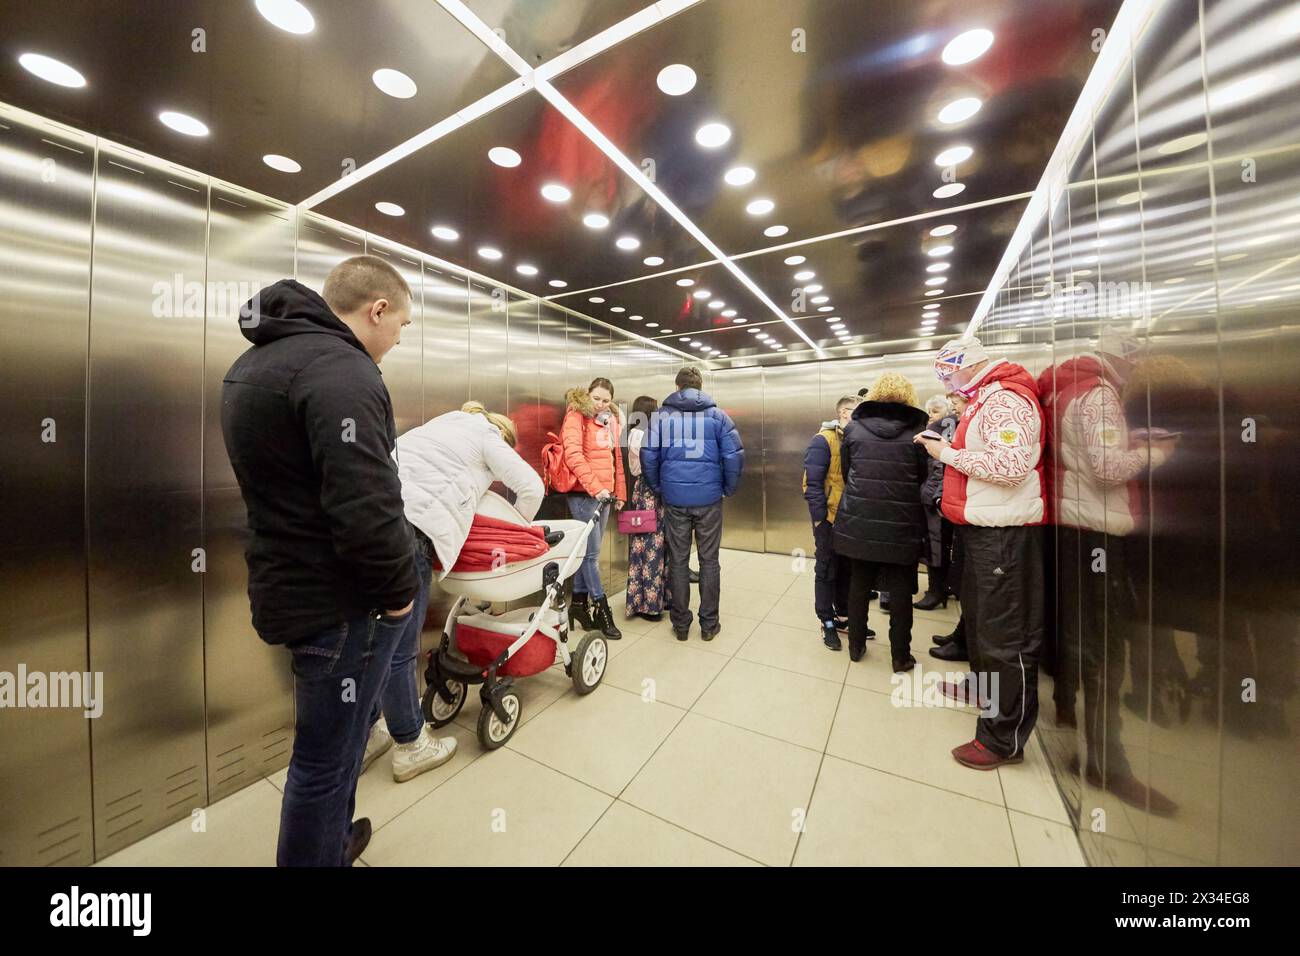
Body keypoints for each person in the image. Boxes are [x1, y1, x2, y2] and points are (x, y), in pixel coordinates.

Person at [222, 256, 419, 866]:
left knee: (335, 748)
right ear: (377, 310)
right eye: (401, 325)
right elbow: (366, 504)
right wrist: (399, 593)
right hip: (342, 603)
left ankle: (334, 843)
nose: (396, 340)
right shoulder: (343, 371)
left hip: (289, 585)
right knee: (325, 761)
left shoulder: (253, 363)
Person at [362, 400, 545, 780]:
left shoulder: (434, 428)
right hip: (410, 533)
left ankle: (365, 735)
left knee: (371, 640)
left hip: (370, 521)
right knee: (399, 647)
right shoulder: (487, 436)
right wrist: (516, 530)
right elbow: (532, 486)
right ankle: (411, 744)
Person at [916, 335, 1047, 771]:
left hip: (1004, 535)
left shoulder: (1006, 400)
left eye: (948, 373)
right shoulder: (983, 399)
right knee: (980, 622)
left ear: (969, 365)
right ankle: (982, 687)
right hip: (983, 528)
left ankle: (1002, 739)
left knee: (1004, 636)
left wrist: (945, 452)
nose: (947, 383)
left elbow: (1010, 468)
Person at [833, 372, 929, 669]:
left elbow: (848, 474)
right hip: (901, 522)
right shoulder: (917, 432)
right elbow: (921, 477)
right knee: (901, 591)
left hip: (860, 519)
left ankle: (856, 647)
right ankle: (900, 657)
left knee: (859, 584)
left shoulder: (854, 429)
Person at [642, 365, 744, 642]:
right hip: (709, 499)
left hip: (675, 499)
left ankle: (681, 625)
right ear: (699, 388)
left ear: (677, 388)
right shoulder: (718, 416)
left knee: (678, 560)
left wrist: (659, 487)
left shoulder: (661, 417)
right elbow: (734, 456)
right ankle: (709, 625)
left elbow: (648, 455)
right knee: (709, 560)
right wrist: (728, 488)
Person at [802, 395, 871, 650]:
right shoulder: (823, 440)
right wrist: (820, 519)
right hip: (829, 518)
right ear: (843, 413)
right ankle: (826, 621)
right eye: (856, 413)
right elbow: (812, 484)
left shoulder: (856, 439)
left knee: (847, 570)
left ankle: (843, 616)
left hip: (852, 519)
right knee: (826, 570)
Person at [562, 377, 626, 639]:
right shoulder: (576, 415)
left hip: (605, 495)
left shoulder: (610, 421)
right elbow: (573, 454)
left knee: (589, 554)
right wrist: (595, 487)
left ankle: (577, 605)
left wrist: (617, 492)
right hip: (584, 496)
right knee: (591, 556)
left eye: (606, 400)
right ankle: (602, 610)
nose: (600, 404)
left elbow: (615, 458)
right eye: (596, 398)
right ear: (587, 395)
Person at [624, 396, 673, 621]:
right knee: (649, 548)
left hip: (651, 492)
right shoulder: (639, 435)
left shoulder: (644, 433)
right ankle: (648, 604)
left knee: (656, 546)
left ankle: (660, 599)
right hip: (648, 492)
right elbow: (651, 463)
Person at [915, 394, 959, 610]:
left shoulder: (943, 430)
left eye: (935, 411)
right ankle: (945, 586)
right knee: (942, 544)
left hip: (937, 500)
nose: (931, 415)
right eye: (930, 411)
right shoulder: (946, 429)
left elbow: (940, 468)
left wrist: (935, 497)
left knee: (936, 545)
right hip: (943, 498)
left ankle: (936, 591)